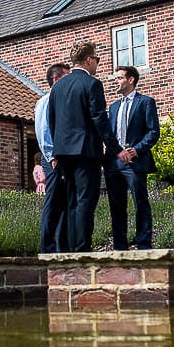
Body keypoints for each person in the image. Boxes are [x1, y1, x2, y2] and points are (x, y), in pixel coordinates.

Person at [48, 41, 127, 252]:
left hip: (63, 152)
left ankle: (67, 249)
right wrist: (116, 149)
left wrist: (57, 150)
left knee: (70, 201)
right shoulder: (92, 84)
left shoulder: (58, 87)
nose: (98, 64)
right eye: (98, 60)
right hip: (85, 152)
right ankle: (82, 249)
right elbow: (99, 120)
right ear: (89, 60)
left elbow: (52, 121)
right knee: (85, 201)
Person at [105, 65, 160, 251]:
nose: (116, 82)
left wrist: (136, 150)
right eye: (116, 79)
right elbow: (110, 135)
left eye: (119, 78)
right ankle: (120, 247)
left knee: (140, 203)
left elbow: (153, 132)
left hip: (135, 162)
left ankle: (143, 244)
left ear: (131, 80)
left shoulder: (145, 102)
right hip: (114, 163)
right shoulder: (113, 107)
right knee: (117, 207)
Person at [35, 62, 71, 253]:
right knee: (53, 201)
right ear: (56, 79)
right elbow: (43, 131)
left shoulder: (62, 101)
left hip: (64, 158)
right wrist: (52, 157)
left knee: (64, 202)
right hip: (53, 159)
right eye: (67, 76)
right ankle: (47, 247)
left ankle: (61, 246)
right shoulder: (46, 101)